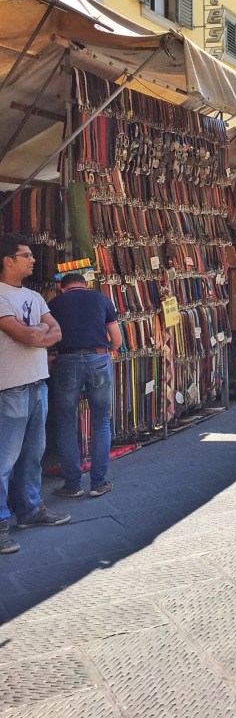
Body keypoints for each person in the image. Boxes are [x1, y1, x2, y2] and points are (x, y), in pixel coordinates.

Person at [0, 234, 70, 554]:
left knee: (32, 453)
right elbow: (28, 334)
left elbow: (55, 331)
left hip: (37, 382)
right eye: (26, 255)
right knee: (5, 458)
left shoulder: (35, 296)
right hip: (10, 386)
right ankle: (1, 522)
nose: (32, 259)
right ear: (8, 261)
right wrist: (39, 334)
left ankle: (29, 510)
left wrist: (37, 335)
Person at [48, 273, 122, 498]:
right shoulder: (101, 299)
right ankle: (98, 483)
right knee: (100, 420)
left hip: (67, 361)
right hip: (98, 359)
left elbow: (48, 337)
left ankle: (72, 484)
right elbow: (117, 340)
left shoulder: (54, 303)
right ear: (86, 284)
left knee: (66, 422)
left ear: (62, 287)